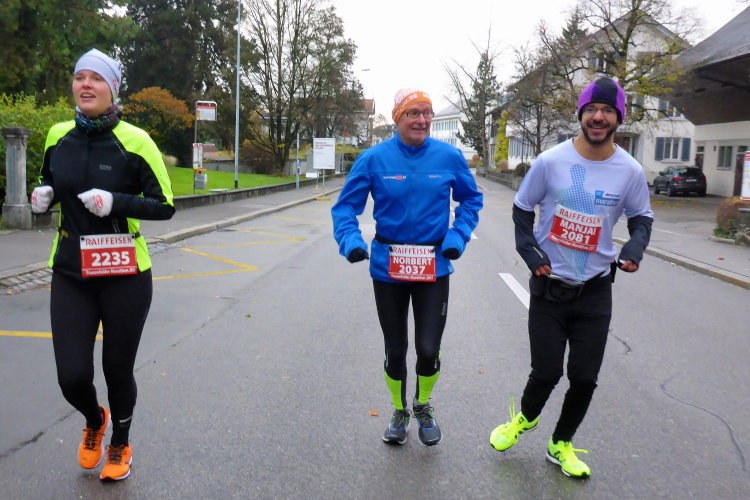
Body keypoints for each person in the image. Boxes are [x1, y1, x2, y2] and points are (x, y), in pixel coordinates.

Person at [488, 77, 653, 478]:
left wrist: (633, 249)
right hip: (549, 285)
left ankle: (560, 444)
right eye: (591, 109)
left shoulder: (629, 171)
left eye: (608, 110)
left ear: (618, 118)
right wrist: (530, 252)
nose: (598, 117)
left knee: (584, 378)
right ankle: (525, 419)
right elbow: (522, 209)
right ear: (581, 114)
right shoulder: (551, 161)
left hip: (595, 291)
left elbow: (642, 218)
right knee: (546, 373)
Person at [31, 49, 175, 481]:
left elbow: (164, 205)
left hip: (124, 272)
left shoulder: (136, 141)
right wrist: (44, 196)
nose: (86, 85)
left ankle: (120, 442)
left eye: (96, 78)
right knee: (71, 376)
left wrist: (116, 202)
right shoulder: (58, 135)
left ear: (112, 89)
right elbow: (51, 181)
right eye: (80, 77)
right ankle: (96, 420)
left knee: (116, 368)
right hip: (70, 271)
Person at [332, 89, 483, 446]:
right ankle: (399, 411)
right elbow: (345, 208)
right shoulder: (373, 159)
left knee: (428, 348)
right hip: (389, 269)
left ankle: (423, 404)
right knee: (396, 348)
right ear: (397, 117)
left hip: (434, 267)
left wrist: (457, 236)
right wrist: (350, 241)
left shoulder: (449, 157)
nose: (422, 120)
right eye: (413, 113)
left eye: (427, 113)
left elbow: (471, 200)